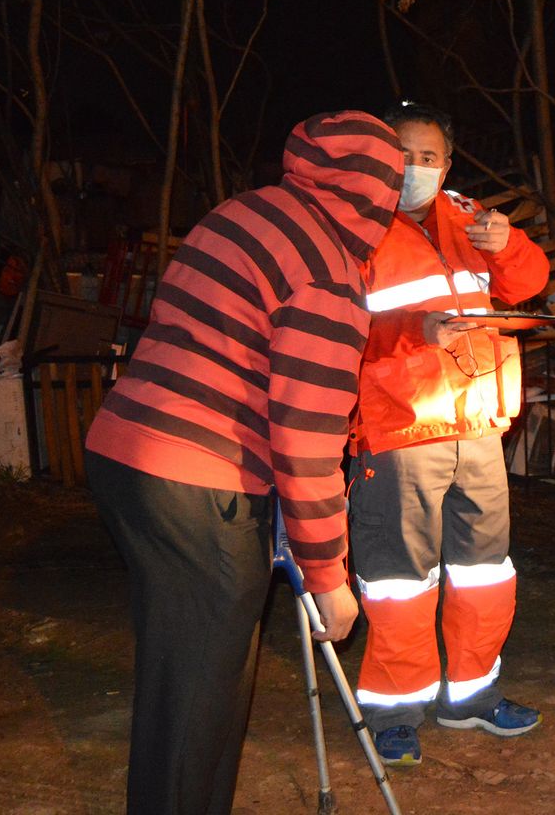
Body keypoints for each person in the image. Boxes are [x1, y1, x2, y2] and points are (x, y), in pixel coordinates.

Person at [83, 111, 404, 815]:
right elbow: (305, 434)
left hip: (126, 454)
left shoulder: (245, 213)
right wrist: (329, 581)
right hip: (198, 479)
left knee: (183, 673)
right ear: (381, 188)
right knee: (203, 688)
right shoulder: (328, 270)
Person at [349, 103, 551, 767]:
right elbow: (333, 330)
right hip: (399, 424)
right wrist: (417, 331)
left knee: (485, 571)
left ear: (449, 163)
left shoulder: (467, 215)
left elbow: (529, 284)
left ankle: (470, 693)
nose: (416, 167)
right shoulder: (352, 223)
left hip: (479, 418)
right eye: (403, 153)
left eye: (430, 156)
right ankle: (394, 710)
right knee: (399, 578)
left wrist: (510, 244)